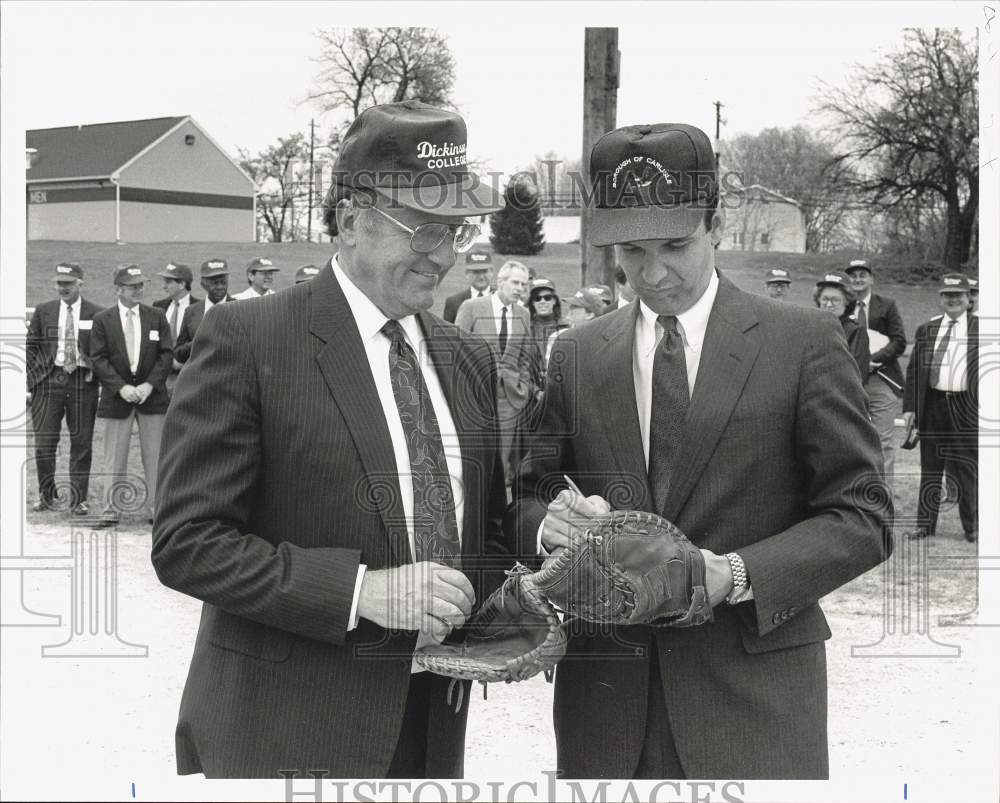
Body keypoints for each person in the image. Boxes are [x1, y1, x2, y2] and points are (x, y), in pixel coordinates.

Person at [509, 122, 889, 780]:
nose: (653, 273)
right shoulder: (573, 353)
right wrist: (551, 525)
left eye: (676, 245)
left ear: (716, 224)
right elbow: (522, 492)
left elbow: (862, 514)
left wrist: (734, 574)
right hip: (606, 709)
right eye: (631, 249)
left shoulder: (804, 343)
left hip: (754, 703)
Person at [152, 100, 513, 779]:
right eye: (423, 230)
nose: (443, 257)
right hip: (286, 734)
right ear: (350, 219)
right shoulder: (248, 338)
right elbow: (187, 541)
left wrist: (546, 547)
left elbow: (484, 524)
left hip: (432, 727)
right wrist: (359, 592)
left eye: (455, 231)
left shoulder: (467, 358)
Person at [89, 265, 173, 525]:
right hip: (118, 398)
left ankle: (158, 511)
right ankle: (110, 510)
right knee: (114, 456)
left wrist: (150, 385)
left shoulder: (157, 316)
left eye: (141, 285)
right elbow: (98, 358)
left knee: (156, 455)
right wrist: (121, 387)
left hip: (152, 397)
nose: (139, 290)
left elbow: (166, 354)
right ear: (118, 289)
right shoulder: (103, 319)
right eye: (132, 285)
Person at [902, 274, 978, 543]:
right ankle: (925, 526)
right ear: (941, 299)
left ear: (968, 299)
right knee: (930, 467)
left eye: (958, 295)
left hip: (966, 406)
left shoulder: (982, 328)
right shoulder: (927, 329)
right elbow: (913, 372)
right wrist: (910, 407)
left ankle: (973, 527)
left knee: (967, 467)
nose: (953, 299)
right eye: (947, 295)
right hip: (933, 404)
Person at [25, 262, 102, 515]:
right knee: (44, 443)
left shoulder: (97, 313)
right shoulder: (43, 311)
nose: (63, 288)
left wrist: (93, 368)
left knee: (82, 442)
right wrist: (33, 381)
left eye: (68, 283)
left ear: (80, 282)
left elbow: (102, 351)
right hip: (49, 382)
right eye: (59, 283)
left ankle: (78, 499)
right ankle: (47, 495)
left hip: (82, 382)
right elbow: (31, 348)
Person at [454, 259, 538, 481]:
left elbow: (525, 356)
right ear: (501, 282)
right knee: (473, 450)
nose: (520, 289)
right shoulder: (472, 307)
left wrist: (523, 385)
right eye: (515, 283)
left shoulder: (523, 313)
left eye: (524, 284)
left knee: (502, 455)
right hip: (476, 392)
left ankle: (496, 507)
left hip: (509, 396)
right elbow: (455, 350)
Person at [845, 258, 906, 486]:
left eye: (862, 274)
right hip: (850, 380)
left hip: (881, 378)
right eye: (853, 275)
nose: (857, 279)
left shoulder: (886, 305)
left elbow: (899, 341)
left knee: (883, 441)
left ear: (871, 278)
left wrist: (871, 361)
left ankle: (882, 497)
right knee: (851, 438)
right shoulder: (844, 306)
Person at [174, 259, 233, 365]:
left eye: (223, 282)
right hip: (199, 378)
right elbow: (178, 354)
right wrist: (199, 341)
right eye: (215, 283)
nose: (220, 287)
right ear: (203, 284)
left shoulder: (239, 308)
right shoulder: (191, 312)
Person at [813, 273, 870, 380]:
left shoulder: (855, 330)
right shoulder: (810, 326)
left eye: (835, 300)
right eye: (825, 299)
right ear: (818, 300)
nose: (829, 305)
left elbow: (858, 373)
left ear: (846, 302)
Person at [153, 262, 197, 395]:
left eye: (168, 282)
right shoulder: (158, 306)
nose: (163, 286)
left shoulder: (199, 308)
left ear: (182, 284)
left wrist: (182, 362)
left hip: (189, 376)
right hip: (161, 375)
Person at [443, 250, 493, 323]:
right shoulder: (453, 302)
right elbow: (447, 332)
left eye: (485, 271)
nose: (481, 277)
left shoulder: (503, 299)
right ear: (467, 273)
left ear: (491, 272)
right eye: (476, 272)